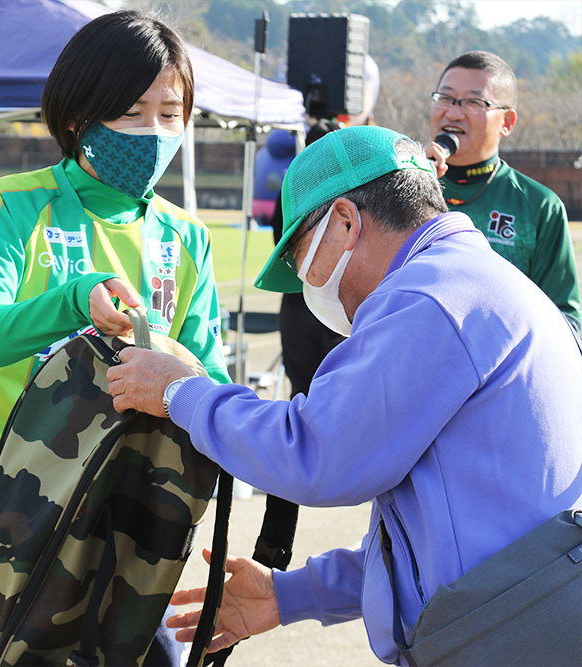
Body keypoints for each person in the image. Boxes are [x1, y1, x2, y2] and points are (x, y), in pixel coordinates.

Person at [105, 125, 582, 664]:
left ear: (346, 221)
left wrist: (179, 392)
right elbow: (440, 537)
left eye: (302, 257)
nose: (309, 286)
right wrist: (292, 595)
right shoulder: (479, 282)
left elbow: (314, 453)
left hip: (500, 638)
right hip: (519, 618)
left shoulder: (429, 298)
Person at [0, 11, 230, 666]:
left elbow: (213, 387)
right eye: (132, 111)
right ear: (77, 115)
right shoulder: (6, 206)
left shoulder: (186, 238)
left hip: (129, 542)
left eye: (170, 114)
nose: (153, 133)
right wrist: (71, 299)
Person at [425, 50, 581, 335]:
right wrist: (412, 179)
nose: (453, 112)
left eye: (473, 102)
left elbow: (567, 322)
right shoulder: (397, 185)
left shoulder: (539, 206)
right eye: (445, 98)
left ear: (507, 122)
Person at [271, 119, 344, 397]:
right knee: (305, 389)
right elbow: (279, 237)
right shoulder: (293, 186)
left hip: (331, 300)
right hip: (301, 297)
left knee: (331, 390)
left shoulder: (351, 186)